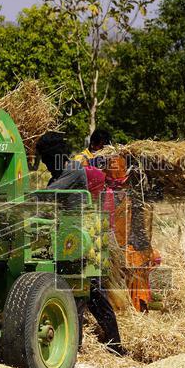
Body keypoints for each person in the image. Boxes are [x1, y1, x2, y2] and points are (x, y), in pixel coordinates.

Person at [33, 132, 123, 354]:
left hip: (84, 240)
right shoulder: (57, 176)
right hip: (68, 241)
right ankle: (109, 346)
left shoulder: (72, 171)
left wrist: (22, 201)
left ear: (55, 155)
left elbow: (47, 196)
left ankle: (98, 347)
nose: (44, 163)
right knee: (88, 296)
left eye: (46, 158)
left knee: (86, 295)